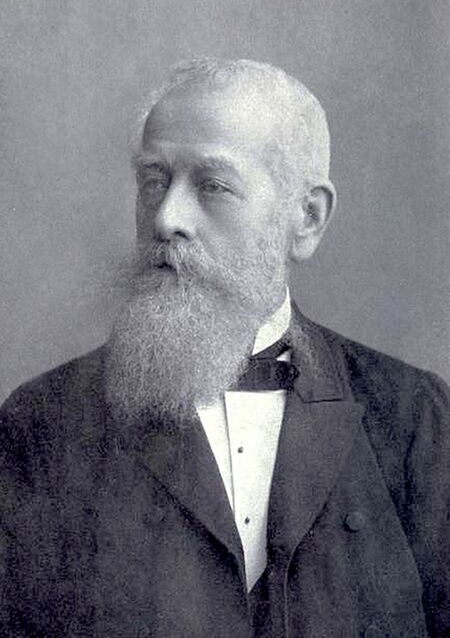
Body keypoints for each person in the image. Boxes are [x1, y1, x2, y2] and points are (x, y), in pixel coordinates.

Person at [0, 58, 448, 638]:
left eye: (212, 186)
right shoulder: (41, 424)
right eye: (154, 181)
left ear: (306, 219)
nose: (167, 218)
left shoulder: (414, 418)